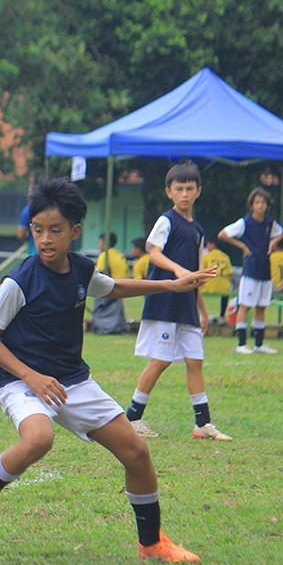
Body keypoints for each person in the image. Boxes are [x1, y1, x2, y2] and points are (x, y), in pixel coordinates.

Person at [0, 176, 213, 563]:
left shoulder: (83, 271)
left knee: (137, 452)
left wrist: (173, 286)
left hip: (71, 380)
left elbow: (113, 287)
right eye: (38, 230)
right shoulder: (19, 281)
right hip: (22, 380)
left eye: (55, 230)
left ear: (75, 231)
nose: (46, 239)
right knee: (39, 438)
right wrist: (30, 377)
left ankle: (151, 543)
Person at [124, 161, 231, 441]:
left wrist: (203, 310)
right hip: (165, 303)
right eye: (179, 188)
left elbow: (195, 272)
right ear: (169, 192)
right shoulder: (166, 221)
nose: (185, 193)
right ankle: (132, 418)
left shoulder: (197, 230)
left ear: (198, 191)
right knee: (161, 361)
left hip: (187, 308)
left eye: (190, 188)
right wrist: (177, 270)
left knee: (195, 361)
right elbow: (154, 253)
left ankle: (202, 425)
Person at [218, 187, 283, 354]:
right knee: (245, 305)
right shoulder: (245, 223)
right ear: (252, 205)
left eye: (263, 202)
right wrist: (242, 245)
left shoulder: (270, 223)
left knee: (261, 307)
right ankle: (241, 344)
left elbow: (281, 232)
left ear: (267, 205)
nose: (260, 205)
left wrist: (272, 243)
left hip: (265, 269)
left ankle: (259, 344)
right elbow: (223, 234)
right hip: (250, 270)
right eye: (257, 202)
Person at [92, 232, 129, 335]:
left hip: (111, 286)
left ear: (104, 243)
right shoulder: (119, 254)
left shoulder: (105, 255)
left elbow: (100, 273)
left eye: (100, 242)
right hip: (123, 286)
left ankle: (104, 328)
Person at [201, 234, 234, 323]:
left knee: (197, 290)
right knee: (225, 292)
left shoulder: (206, 256)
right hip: (224, 288)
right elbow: (230, 275)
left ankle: (202, 315)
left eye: (208, 244)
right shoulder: (225, 257)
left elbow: (201, 272)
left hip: (208, 287)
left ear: (212, 245)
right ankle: (222, 316)